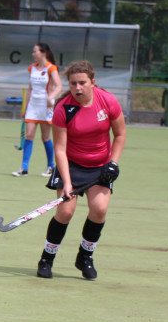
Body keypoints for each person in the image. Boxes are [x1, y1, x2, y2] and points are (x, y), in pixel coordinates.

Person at [36, 60, 126, 281]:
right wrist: (67, 183)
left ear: (93, 82)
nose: (77, 88)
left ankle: (85, 257)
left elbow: (120, 134)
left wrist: (113, 163)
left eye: (82, 83)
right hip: (71, 165)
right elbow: (60, 149)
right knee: (65, 212)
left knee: (99, 210)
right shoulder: (63, 109)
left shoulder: (108, 101)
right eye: (73, 83)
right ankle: (47, 259)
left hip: (100, 166)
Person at [14, 42, 63, 177]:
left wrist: (51, 97)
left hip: (46, 106)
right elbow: (30, 89)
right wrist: (25, 108)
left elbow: (59, 86)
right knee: (29, 135)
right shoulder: (32, 68)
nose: (33, 54)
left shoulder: (51, 68)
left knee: (45, 137)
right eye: (33, 51)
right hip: (33, 106)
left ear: (43, 53)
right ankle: (24, 168)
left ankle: (50, 167)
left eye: (35, 51)